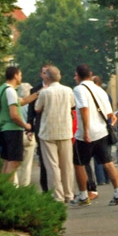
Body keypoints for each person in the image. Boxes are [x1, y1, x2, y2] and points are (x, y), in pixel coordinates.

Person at [71, 64, 118, 206]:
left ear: (78, 75)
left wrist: (86, 131)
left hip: (85, 134)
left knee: (79, 164)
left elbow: (84, 109)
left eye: (75, 75)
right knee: (108, 163)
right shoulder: (100, 90)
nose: (74, 78)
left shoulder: (78, 89)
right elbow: (109, 113)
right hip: (102, 132)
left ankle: (83, 196)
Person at [34, 66, 75, 203]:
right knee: (67, 165)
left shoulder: (45, 93)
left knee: (52, 166)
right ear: (60, 76)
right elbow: (72, 105)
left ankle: (58, 196)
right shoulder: (68, 90)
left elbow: (37, 108)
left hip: (48, 132)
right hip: (65, 131)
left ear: (47, 77)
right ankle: (69, 194)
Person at [0, 66, 36, 178]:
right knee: (14, 162)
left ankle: (1, 187)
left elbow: (22, 101)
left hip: (3, 129)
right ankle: (7, 189)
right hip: (12, 130)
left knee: (7, 161)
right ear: (15, 75)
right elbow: (14, 115)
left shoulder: (2, 89)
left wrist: (38, 93)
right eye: (20, 75)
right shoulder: (11, 91)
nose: (21, 77)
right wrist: (25, 125)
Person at [27, 64, 50, 191]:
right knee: (43, 159)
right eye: (44, 72)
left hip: (56, 127)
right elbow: (31, 110)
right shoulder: (35, 90)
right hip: (41, 127)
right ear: (41, 74)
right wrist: (29, 128)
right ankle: (46, 188)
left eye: (48, 72)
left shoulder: (59, 88)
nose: (46, 75)